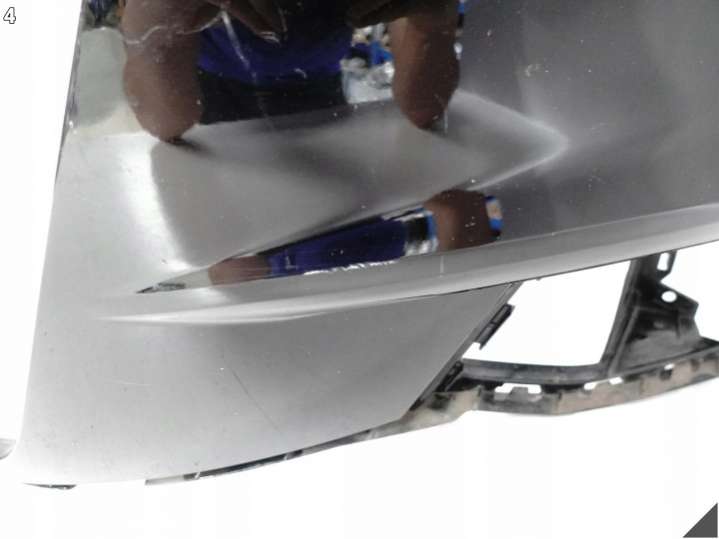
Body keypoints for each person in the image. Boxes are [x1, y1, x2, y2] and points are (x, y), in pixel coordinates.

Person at [121, 0, 461, 140]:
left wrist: (433, 20)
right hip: (213, 90)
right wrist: (153, 17)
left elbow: (423, 108)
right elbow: (163, 123)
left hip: (319, 95)